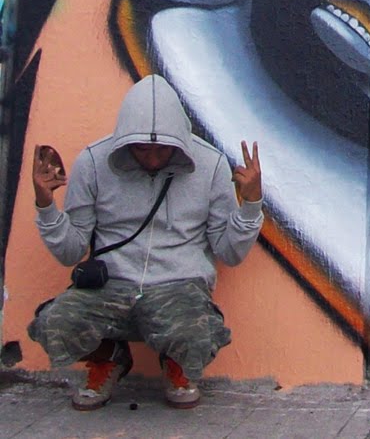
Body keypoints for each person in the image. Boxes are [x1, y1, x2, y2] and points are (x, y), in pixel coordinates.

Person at [27, 74, 264, 411]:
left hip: (179, 286)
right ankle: (109, 357)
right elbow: (70, 251)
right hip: (111, 285)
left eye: (162, 149)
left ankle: (178, 362)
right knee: (53, 324)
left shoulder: (210, 165)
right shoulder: (93, 162)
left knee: (200, 332)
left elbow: (229, 251)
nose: (152, 159)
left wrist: (251, 203)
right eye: (141, 149)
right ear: (125, 142)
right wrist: (45, 205)